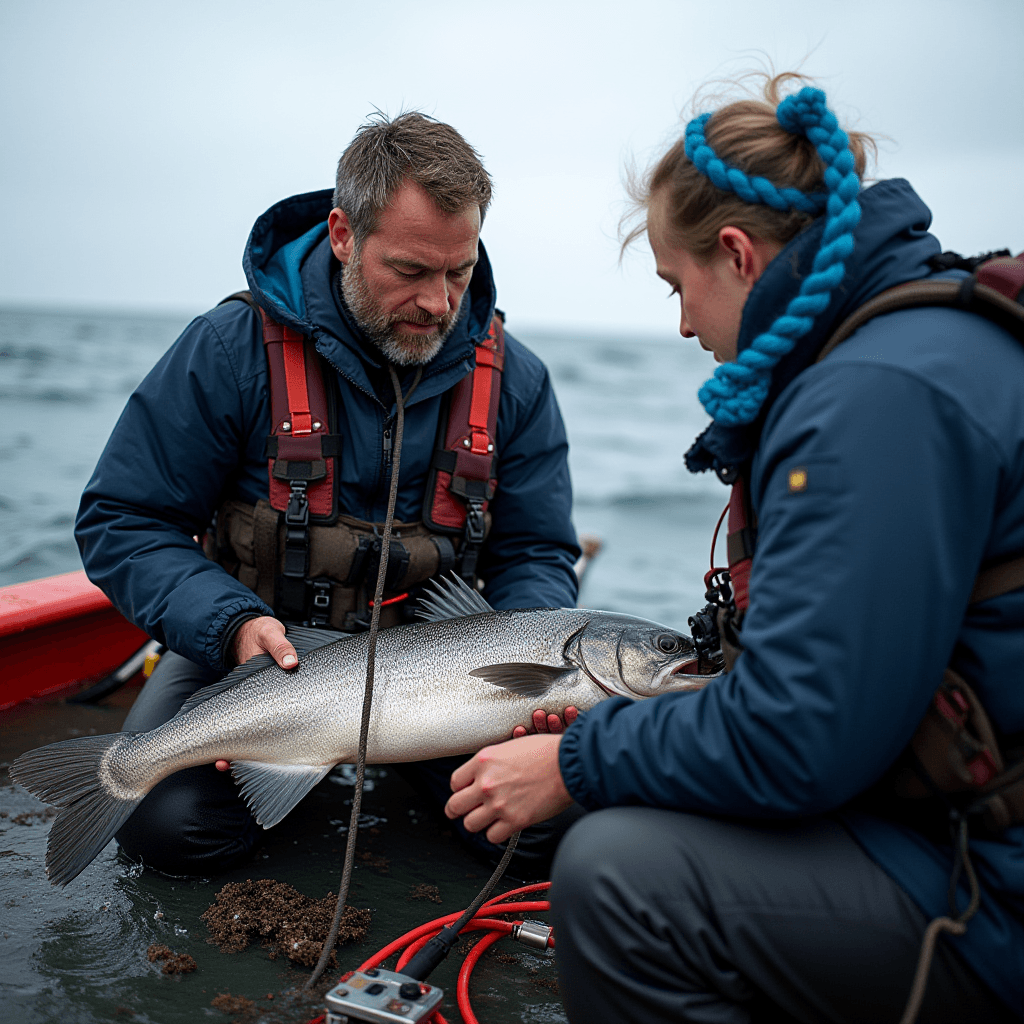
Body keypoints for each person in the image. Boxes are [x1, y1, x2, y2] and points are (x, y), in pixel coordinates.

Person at [445, 75, 1024, 1021]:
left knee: (615, 873)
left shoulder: (872, 401)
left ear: (739, 255)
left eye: (679, 287)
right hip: (963, 825)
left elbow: (799, 740)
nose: (681, 325)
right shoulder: (929, 338)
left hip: (991, 886)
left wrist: (576, 761)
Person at [75, 112, 582, 879]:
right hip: (250, 663)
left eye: (459, 270)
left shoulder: (518, 380)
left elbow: (536, 551)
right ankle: (287, 773)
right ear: (343, 234)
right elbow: (124, 519)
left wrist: (535, 661)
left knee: (546, 829)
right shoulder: (228, 349)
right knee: (164, 828)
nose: (440, 303)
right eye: (410, 270)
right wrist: (231, 626)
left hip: (442, 682)